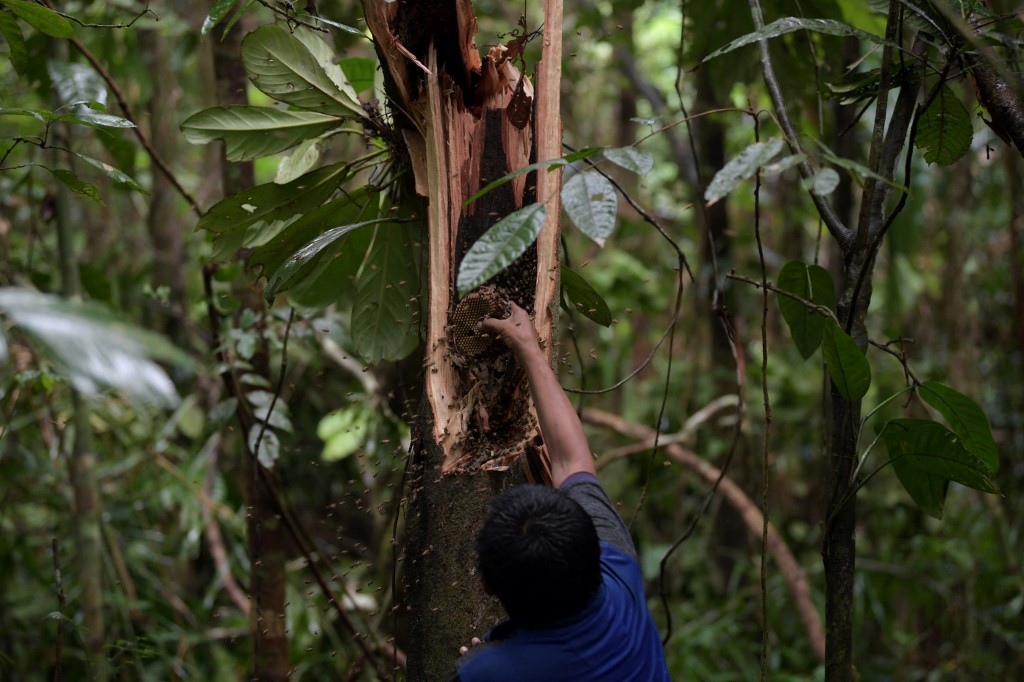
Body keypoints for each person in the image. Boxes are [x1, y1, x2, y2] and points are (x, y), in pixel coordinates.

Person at [448, 302, 672, 681]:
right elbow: (571, 461)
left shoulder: (487, 673)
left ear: (487, 585)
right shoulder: (621, 575)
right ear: (597, 550)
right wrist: (529, 349)